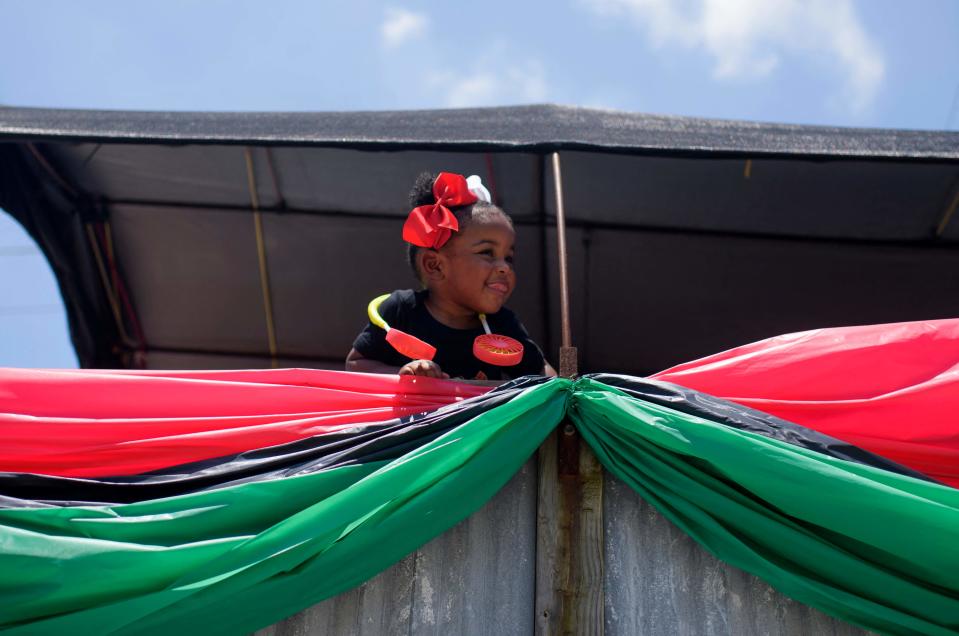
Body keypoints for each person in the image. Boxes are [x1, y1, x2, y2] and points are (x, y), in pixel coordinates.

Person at [346, 171, 555, 380]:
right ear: (435, 266)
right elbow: (355, 364)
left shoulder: (502, 324)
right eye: (487, 253)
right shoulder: (400, 311)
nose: (505, 268)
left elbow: (543, 372)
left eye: (508, 258)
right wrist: (405, 376)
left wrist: (567, 379)